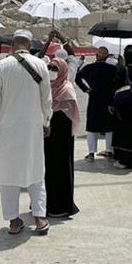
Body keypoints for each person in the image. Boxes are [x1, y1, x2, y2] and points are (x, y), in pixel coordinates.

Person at [0, 29, 52, 235]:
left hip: (7, 128)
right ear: (29, 46)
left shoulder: (1, 66)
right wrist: (46, 121)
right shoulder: (41, 65)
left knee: (8, 172)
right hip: (32, 127)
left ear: (12, 45)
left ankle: (14, 221)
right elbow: (46, 98)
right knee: (35, 169)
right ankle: (39, 218)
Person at [44, 57, 80, 218]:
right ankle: (44, 203)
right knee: (46, 168)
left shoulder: (67, 89)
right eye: (50, 68)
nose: (52, 71)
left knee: (61, 168)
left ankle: (62, 205)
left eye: (55, 69)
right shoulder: (44, 88)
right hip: (47, 134)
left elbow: (72, 114)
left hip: (62, 136)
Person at [74, 46, 117, 161]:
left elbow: (77, 78)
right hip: (108, 99)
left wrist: (86, 89)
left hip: (94, 98)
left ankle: (91, 154)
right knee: (109, 127)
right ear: (107, 57)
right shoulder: (112, 69)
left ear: (96, 55)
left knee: (92, 127)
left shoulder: (89, 68)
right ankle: (109, 151)